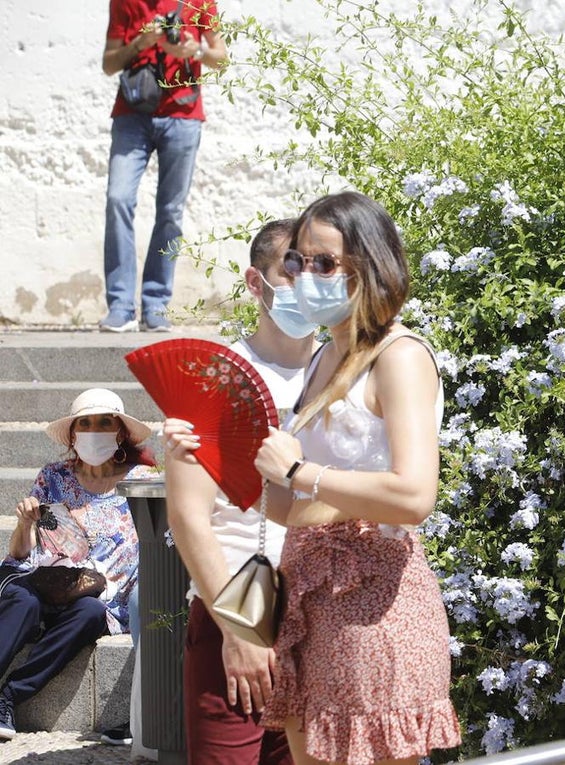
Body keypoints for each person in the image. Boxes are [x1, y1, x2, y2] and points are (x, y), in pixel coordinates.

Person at [169, 191, 461, 764]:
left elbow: (414, 494)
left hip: (376, 600)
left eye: (324, 262)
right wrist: (208, 454)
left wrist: (303, 471)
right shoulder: (326, 357)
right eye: (299, 261)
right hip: (309, 596)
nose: (307, 275)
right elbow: (287, 507)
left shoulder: (398, 356)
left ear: (370, 267)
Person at [162, 218, 310, 763]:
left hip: (324, 604)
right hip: (243, 601)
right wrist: (239, 629)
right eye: (290, 269)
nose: (306, 284)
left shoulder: (344, 370)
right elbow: (188, 518)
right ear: (256, 281)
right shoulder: (220, 377)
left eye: (321, 268)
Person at [0, 388, 154, 742]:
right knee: (23, 600)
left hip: (100, 598)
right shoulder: (53, 477)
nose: (94, 430)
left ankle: (8, 697)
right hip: (46, 583)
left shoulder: (140, 482)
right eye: (85, 423)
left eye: (104, 422)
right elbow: (19, 555)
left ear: (120, 432)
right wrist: (24, 523)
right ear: (72, 434)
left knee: (88, 613)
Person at [100, 0, 228, 332]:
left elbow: (221, 58)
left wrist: (195, 51)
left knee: (170, 211)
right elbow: (109, 63)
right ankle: (121, 306)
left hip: (183, 116)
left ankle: (156, 305)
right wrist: (140, 43)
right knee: (118, 199)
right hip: (132, 115)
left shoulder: (198, 2)